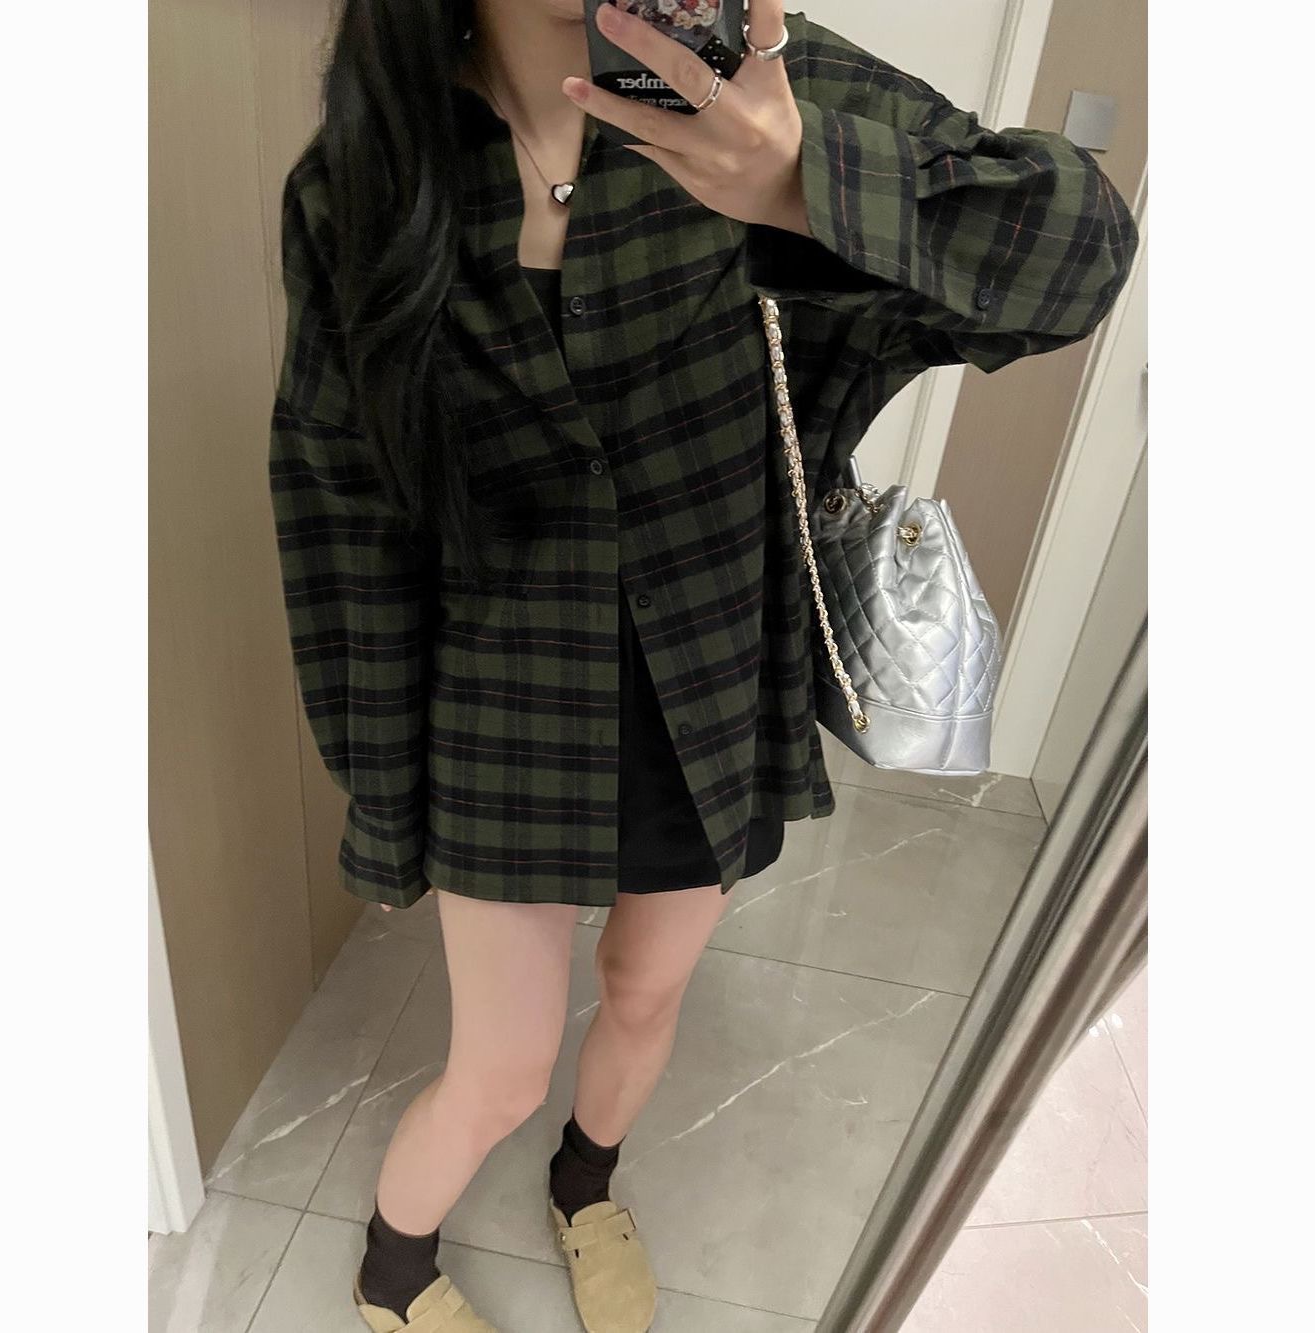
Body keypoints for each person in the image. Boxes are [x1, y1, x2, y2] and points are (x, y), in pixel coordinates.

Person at [266, 2, 1139, 1328]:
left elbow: (1076, 259)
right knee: (500, 1064)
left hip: (709, 665)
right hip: (496, 696)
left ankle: (585, 1185)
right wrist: (381, 800)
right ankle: (395, 1267)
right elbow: (340, 509)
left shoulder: (757, 89)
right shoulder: (368, 172)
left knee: (644, 987)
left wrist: (801, 183)